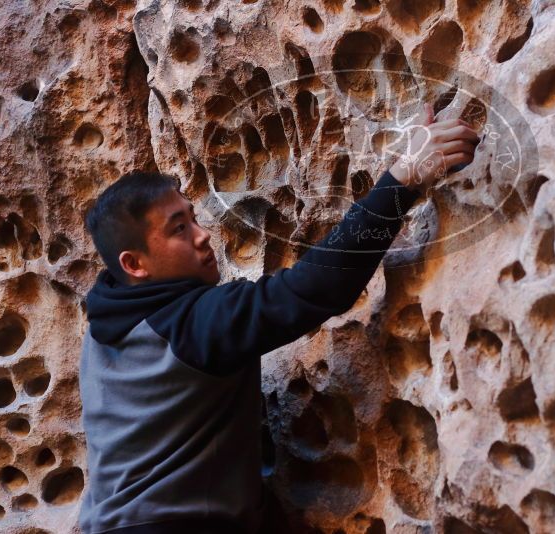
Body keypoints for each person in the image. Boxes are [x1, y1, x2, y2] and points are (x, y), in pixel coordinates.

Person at [77, 103, 479, 533]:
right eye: (179, 229)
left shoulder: (102, 327)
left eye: (193, 218)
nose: (202, 234)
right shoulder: (193, 326)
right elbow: (318, 287)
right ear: (134, 264)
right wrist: (402, 180)